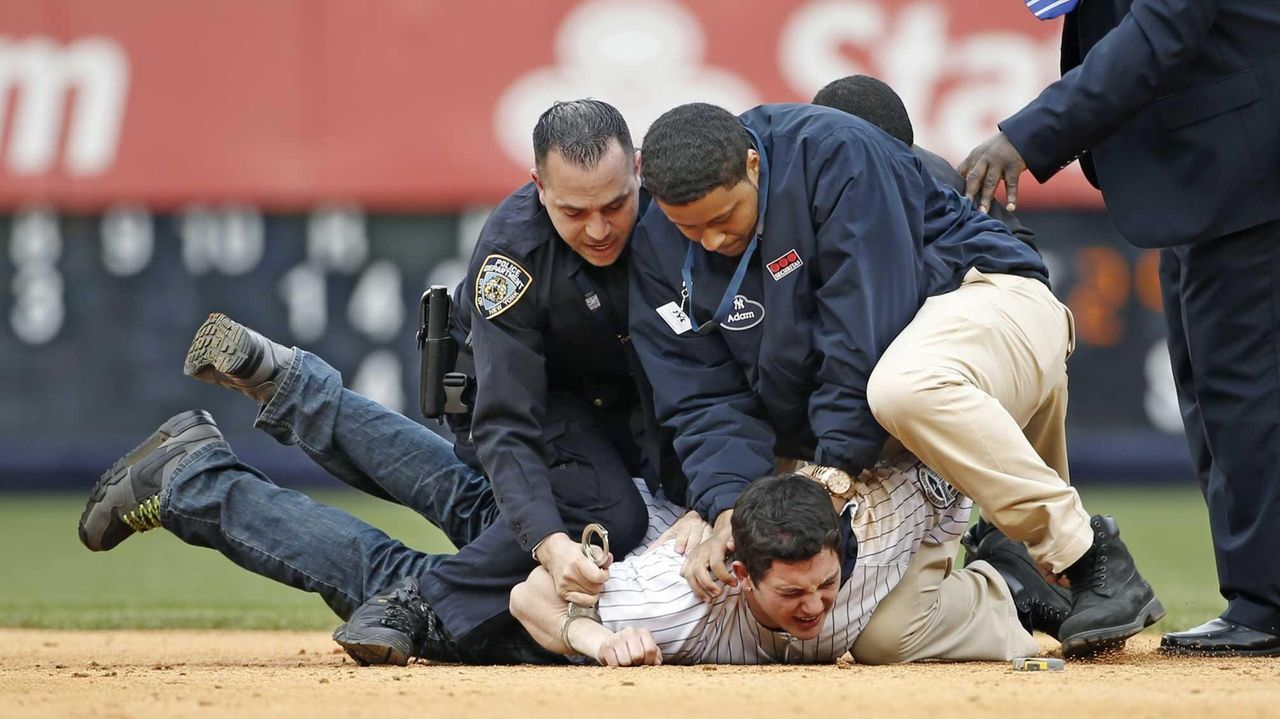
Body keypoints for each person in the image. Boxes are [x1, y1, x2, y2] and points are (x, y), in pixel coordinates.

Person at [78, 98, 690, 665]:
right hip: (532, 420)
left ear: (638, 172)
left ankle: (267, 414)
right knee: (518, 552)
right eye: (574, 211)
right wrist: (551, 545)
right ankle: (406, 592)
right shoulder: (513, 255)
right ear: (539, 188)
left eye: (615, 205)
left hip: (613, 458)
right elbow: (508, 421)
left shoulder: (679, 217)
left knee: (501, 517)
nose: (600, 229)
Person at [629, 101, 1163, 659]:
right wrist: (734, 508)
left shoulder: (832, 153)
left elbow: (863, 328)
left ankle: (1086, 556)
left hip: (985, 297)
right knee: (884, 636)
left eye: (723, 218)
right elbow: (702, 398)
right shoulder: (655, 243)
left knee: (905, 386)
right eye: (688, 227)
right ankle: (1014, 586)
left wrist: (831, 473)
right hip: (885, 404)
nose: (710, 240)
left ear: (752, 166)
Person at [959, 1, 1280, 657]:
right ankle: (1258, 595)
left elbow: (1161, 32)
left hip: (1247, 168)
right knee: (1212, 387)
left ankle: (1267, 603)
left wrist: (1029, 134)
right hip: (1207, 177)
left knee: (1245, 391)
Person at [811, 73, 1072, 640]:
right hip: (973, 365)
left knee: (925, 385)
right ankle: (1028, 564)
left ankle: (1048, 556)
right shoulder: (888, 180)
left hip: (934, 384)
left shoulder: (911, 187)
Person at [511, 462, 1043, 665]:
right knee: (468, 507)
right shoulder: (682, 601)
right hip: (606, 505)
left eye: (825, 583)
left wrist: (951, 550)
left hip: (820, 490)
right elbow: (527, 594)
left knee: (885, 638)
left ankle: (1013, 573)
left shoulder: (871, 538)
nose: (814, 605)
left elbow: (947, 479)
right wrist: (600, 641)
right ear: (741, 576)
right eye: (791, 593)